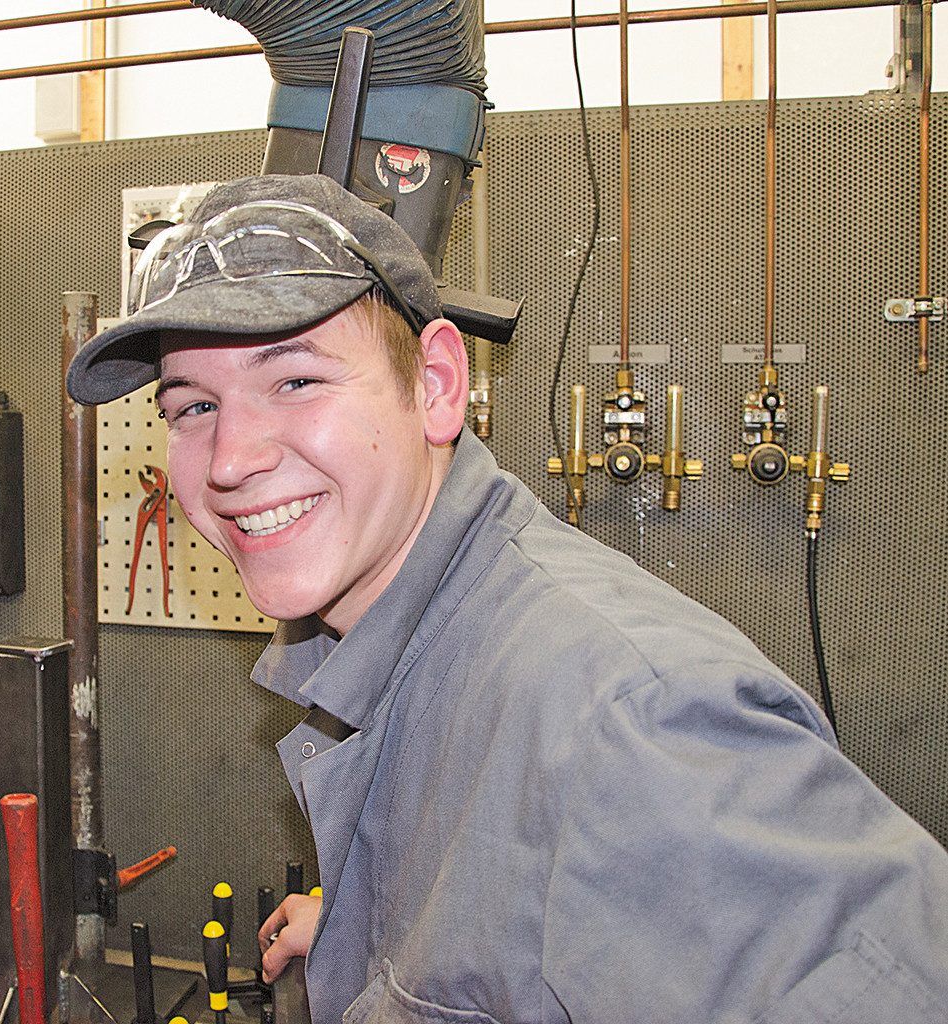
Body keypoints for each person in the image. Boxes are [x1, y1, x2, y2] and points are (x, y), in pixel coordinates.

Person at [67, 173, 948, 1024]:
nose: (229, 461)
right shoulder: (397, 648)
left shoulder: (629, 727)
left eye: (296, 381)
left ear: (438, 386)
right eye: (191, 408)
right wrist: (369, 938)